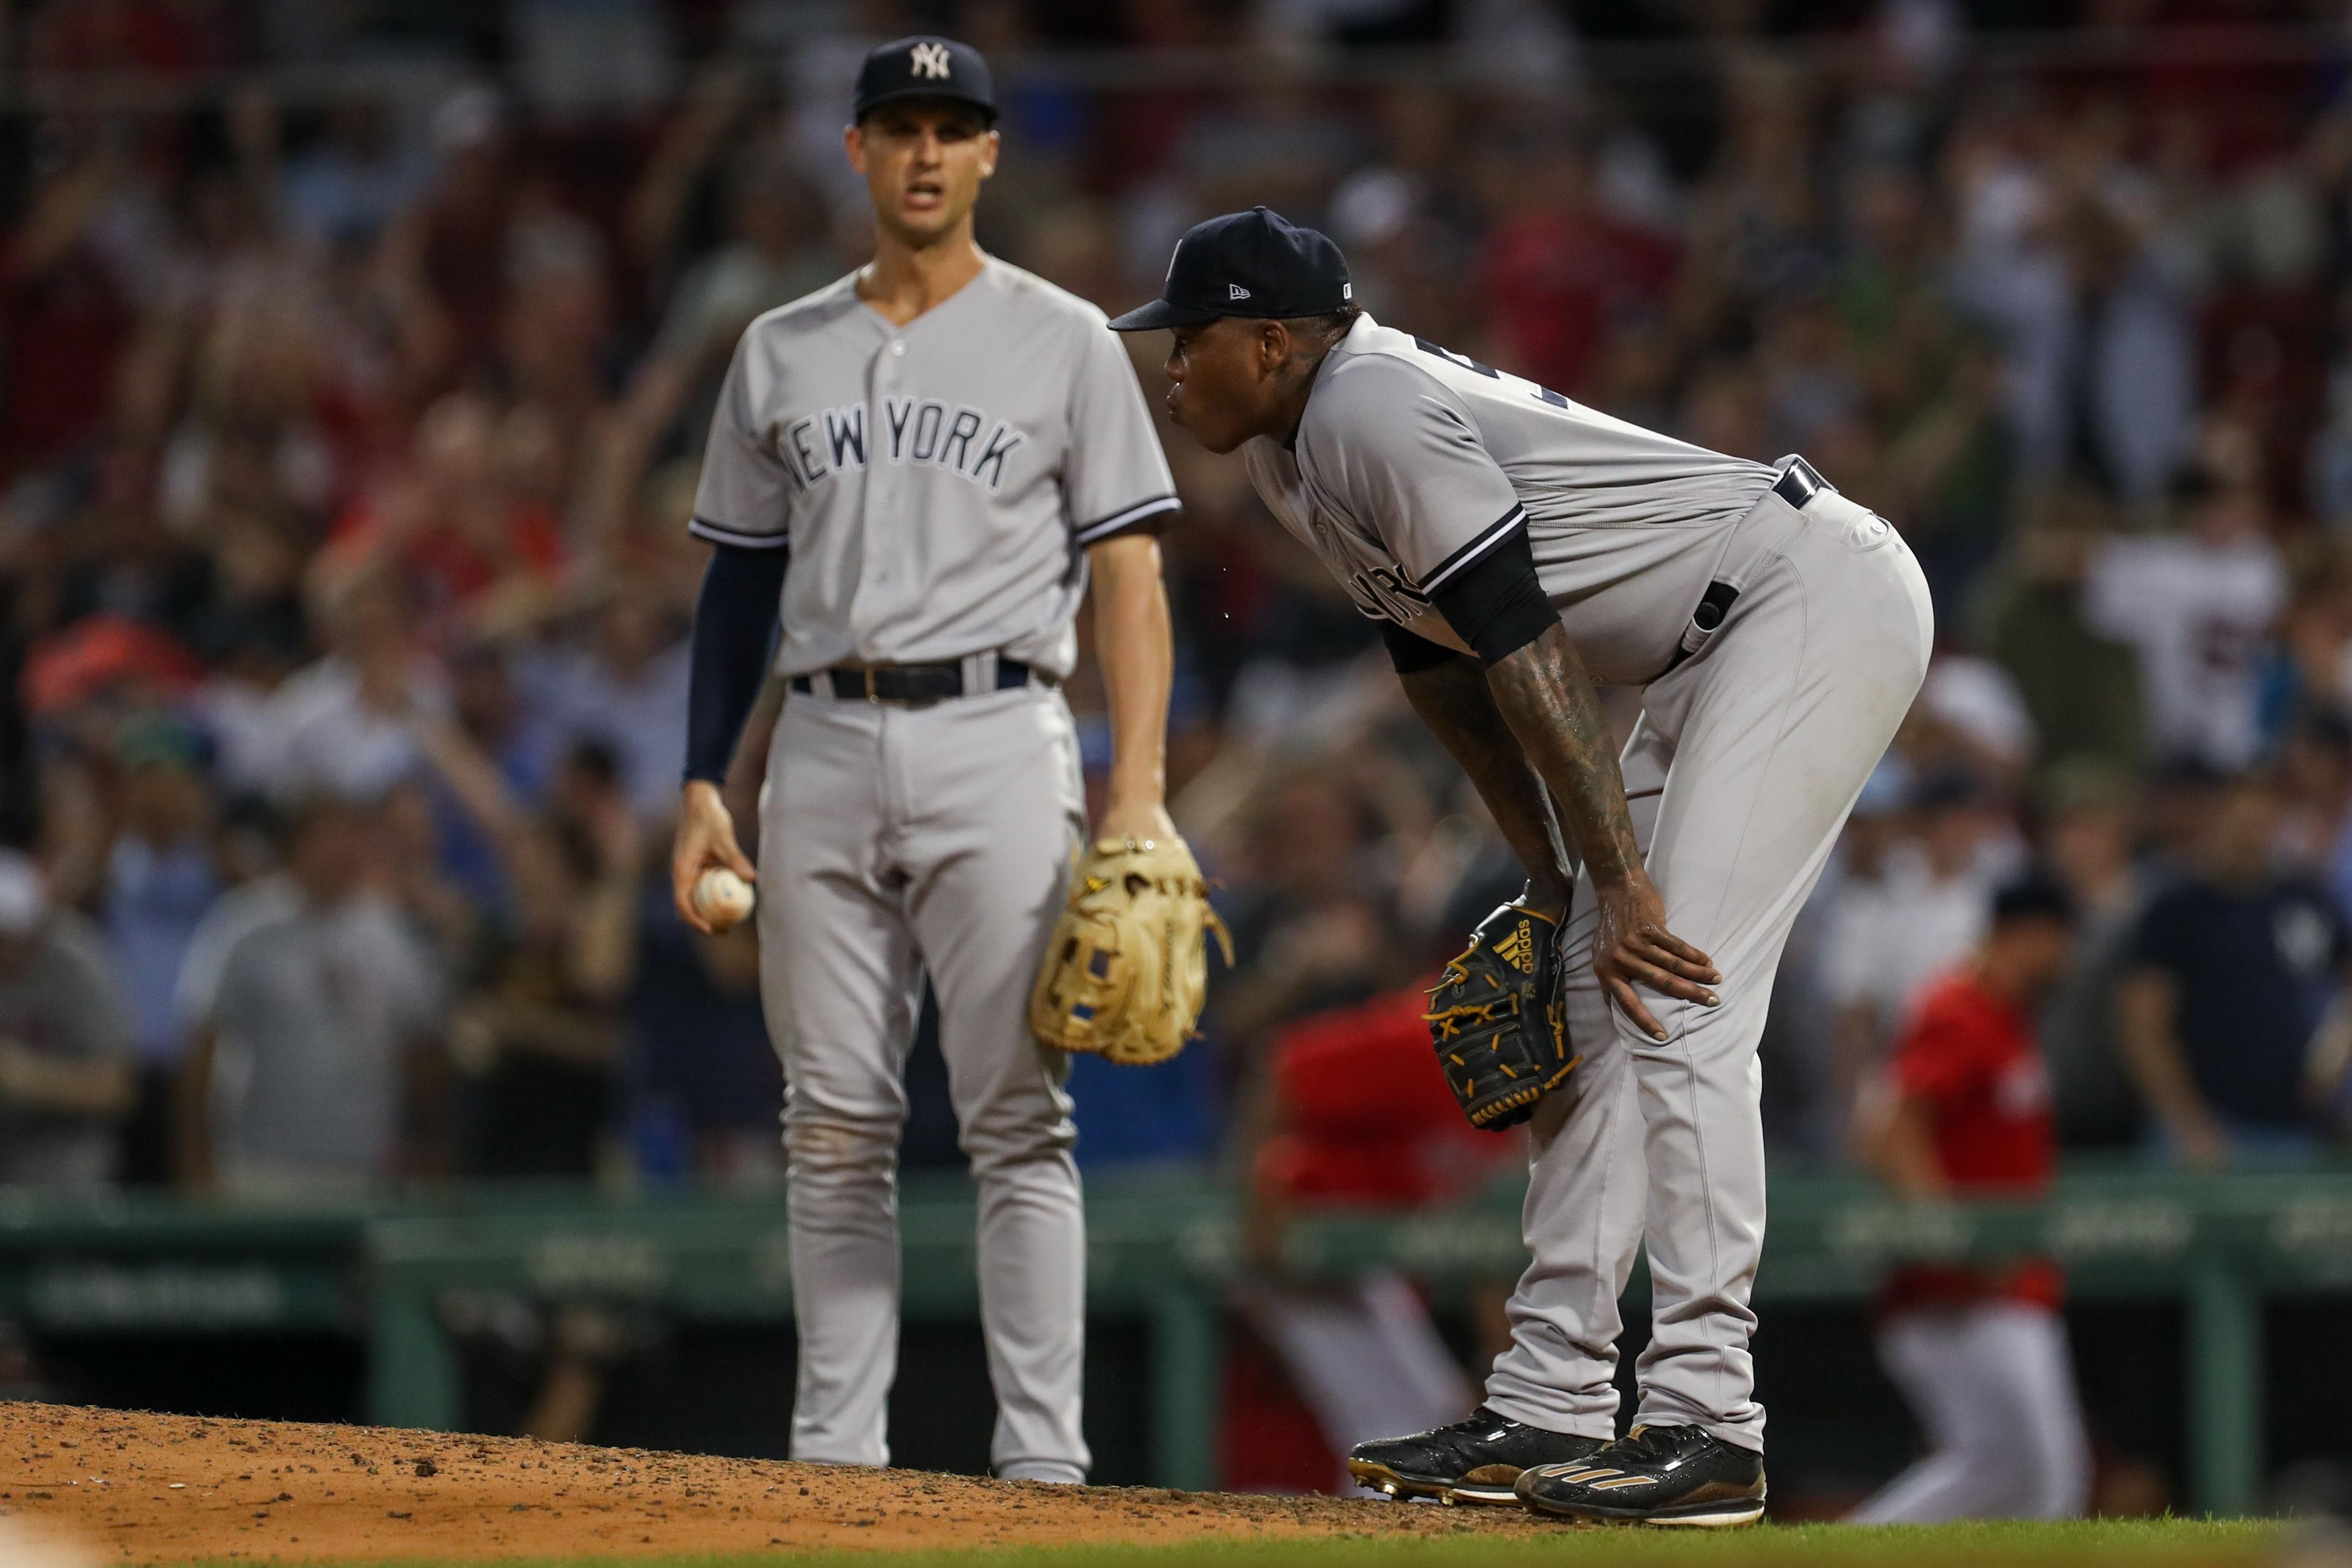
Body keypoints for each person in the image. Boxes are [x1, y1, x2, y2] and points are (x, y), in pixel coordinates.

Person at [1111, 208, 1932, 1525]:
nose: (1171, 368)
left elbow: (1527, 643)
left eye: (1188, 339)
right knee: (1603, 996)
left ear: (1270, 340)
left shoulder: (1369, 407)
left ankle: (1712, 1420)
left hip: (1805, 601)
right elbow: (1445, 670)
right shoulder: (1296, 454)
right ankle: (1548, 1398)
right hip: (1709, 650)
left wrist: (1615, 883)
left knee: (1678, 986)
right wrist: (1555, 882)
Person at [666, 37, 1182, 1484]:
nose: (925, 152)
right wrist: (706, 776)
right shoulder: (779, 345)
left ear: (990, 153)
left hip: (1001, 732)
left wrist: (1137, 788)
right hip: (818, 737)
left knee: (1018, 1113)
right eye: (898, 125)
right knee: (829, 1119)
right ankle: (835, 1464)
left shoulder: (1067, 335)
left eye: (953, 127)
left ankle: (1043, 1469)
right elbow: (736, 585)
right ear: (856, 151)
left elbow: (1130, 573)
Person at [1849, 874, 2091, 1523]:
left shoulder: (2006, 1015)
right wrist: (1955, 1238)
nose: (2068, 959)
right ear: (2029, 934)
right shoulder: (1959, 1008)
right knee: (2022, 1475)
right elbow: (1891, 1127)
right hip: (1960, 1293)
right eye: (2061, 941)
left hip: (2002, 1285)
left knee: (2030, 1479)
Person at [178, 796, 448, 1196]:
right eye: (330, 833)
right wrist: (196, 1166)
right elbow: (202, 1045)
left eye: (354, 833)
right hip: (262, 1167)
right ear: (296, 843)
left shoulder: (389, 934)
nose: (344, 847)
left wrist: (430, 1153)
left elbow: (422, 1051)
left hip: (368, 1171)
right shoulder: (244, 926)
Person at [2116, 768, 2351, 1167]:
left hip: (2293, 1127)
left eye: (2263, 820)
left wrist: (2333, 1058)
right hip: (2201, 1131)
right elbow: (2142, 1023)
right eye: (2240, 820)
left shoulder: (2307, 902)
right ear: (2216, 820)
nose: (2251, 834)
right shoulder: (2178, 911)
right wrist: (2187, 1122)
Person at [0, 848, 137, 1188]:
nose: (10, 951)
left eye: (19, 936)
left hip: (66, 1181)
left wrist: (22, 1076)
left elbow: (119, 1087)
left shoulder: (77, 961)